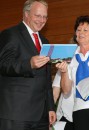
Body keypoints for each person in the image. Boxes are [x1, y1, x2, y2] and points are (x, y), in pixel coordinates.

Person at [0, 0, 56, 130]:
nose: (42, 20)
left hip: (41, 115)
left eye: (45, 17)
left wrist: (50, 108)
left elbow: (46, 78)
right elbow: (3, 64)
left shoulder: (45, 41)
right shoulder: (10, 34)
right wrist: (28, 64)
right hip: (16, 112)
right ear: (26, 14)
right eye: (38, 15)